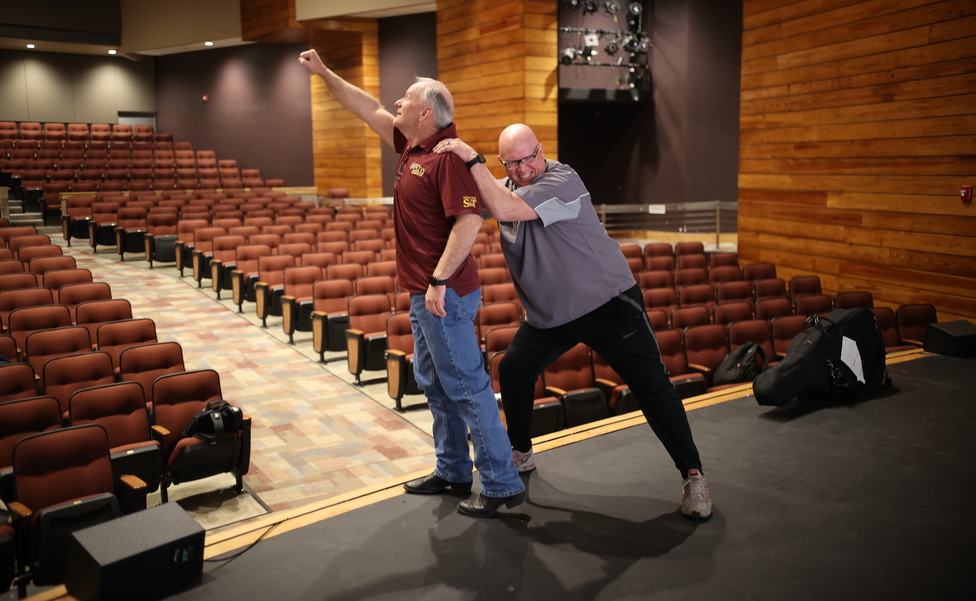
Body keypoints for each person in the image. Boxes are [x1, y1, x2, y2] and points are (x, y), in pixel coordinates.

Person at [434, 123, 712, 520]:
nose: (524, 168)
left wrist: (469, 156)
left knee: (653, 387)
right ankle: (522, 452)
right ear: (503, 162)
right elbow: (475, 199)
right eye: (512, 163)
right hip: (553, 317)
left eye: (529, 157)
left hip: (608, 304)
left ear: (541, 150)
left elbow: (503, 208)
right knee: (513, 368)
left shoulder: (563, 179)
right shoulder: (505, 187)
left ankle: (693, 473)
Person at [297, 50, 525, 518]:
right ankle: (453, 470)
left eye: (406, 98)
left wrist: (439, 280)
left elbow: (469, 221)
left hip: (445, 293)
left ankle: (501, 482)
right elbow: (367, 108)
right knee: (435, 384)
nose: (396, 102)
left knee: (466, 386)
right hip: (425, 294)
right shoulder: (411, 145)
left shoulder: (447, 159)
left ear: (427, 112)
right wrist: (324, 74)